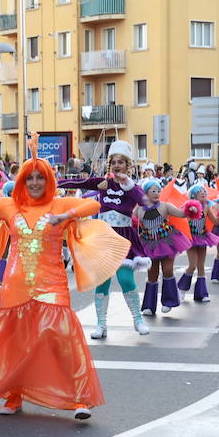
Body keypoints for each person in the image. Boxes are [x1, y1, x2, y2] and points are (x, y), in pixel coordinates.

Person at [0, 150, 125, 419]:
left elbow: (92, 206)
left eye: (40, 178)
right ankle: (14, 395)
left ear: (48, 181)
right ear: (22, 181)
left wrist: (65, 215)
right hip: (16, 284)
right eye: (30, 178)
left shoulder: (59, 205)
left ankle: (79, 399)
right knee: (16, 343)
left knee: (61, 338)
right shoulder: (10, 205)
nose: (35, 183)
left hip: (53, 283)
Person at [57, 140, 151, 338]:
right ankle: (101, 324)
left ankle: (138, 320)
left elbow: (144, 201)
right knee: (102, 282)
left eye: (121, 162)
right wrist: (54, 183)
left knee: (125, 279)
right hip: (104, 237)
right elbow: (78, 183)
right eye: (113, 162)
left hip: (124, 238)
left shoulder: (132, 187)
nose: (117, 166)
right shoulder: (103, 183)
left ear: (127, 165)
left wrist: (129, 186)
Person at [136, 178, 192, 315]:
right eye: (153, 191)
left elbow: (181, 214)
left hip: (166, 241)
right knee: (152, 274)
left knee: (167, 270)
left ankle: (169, 301)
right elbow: (131, 222)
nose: (157, 193)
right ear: (146, 193)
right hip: (148, 243)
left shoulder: (165, 206)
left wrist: (191, 208)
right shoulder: (139, 209)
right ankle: (149, 306)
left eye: (158, 191)